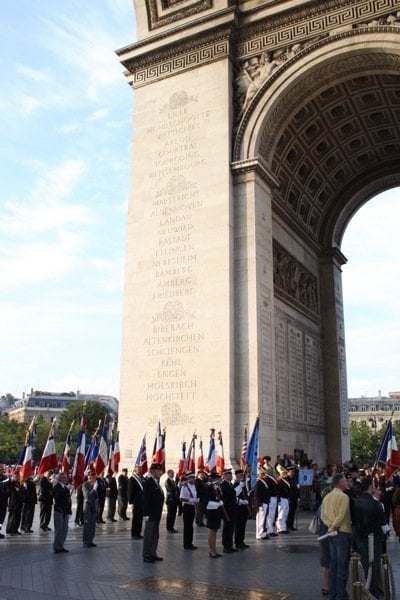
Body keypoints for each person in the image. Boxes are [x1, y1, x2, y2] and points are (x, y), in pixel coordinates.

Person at [354, 477, 389, 598]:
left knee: (365, 565)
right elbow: (383, 523)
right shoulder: (376, 504)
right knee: (375, 567)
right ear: (369, 487)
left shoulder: (356, 501)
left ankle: (367, 590)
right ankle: (374, 592)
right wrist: (386, 532)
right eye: (373, 486)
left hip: (361, 538)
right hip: (374, 538)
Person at [321, 473, 352, 600]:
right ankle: (341, 595)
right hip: (342, 532)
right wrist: (334, 526)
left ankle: (332, 594)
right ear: (340, 483)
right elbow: (342, 514)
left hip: (331, 533)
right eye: (345, 481)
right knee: (342, 565)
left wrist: (330, 526)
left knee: (333, 564)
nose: (347, 483)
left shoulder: (327, 496)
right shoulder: (344, 497)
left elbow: (323, 515)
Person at [142, 463, 164, 563]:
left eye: (159, 471)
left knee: (155, 535)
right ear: (152, 471)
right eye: (157, 471)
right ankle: (146, 554)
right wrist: (145, 514)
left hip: (156, 514)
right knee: (149, 535)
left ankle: (153, 553)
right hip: (150, 514)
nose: (159, 472)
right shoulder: (148, 483)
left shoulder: (156, 482)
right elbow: (145, 499)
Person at [205, 471, 223, 557]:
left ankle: (214, 549)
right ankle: (211, 550)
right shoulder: (209, 488)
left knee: (215, 531)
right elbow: (206, 501)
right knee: (212, 531)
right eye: (217, 478)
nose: (219, 480)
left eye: (218, 478)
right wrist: (218, 503)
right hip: (211, 511)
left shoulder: (217, 488)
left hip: (217, 512)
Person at [52, 472, 72, 553]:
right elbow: (58, 498)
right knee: (59, 529)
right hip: (59, 511)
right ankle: (56, 547)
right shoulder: (57, 487)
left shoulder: (65, 488)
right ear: (60, 479)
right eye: (65, 478)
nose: (67, 479)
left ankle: (61, 545)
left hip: (65, 511)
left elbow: (68, 500)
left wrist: (69, 511)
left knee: (64, 529)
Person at [179, 471, 198, 550]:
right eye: (191, 478)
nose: (193, 479)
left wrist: (196, 500)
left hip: (192, 507)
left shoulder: (193, 486)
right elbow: (181, 498)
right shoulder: (185, 486)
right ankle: (186, 544)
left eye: (193, 477)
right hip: (187, 507)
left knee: (191, 526)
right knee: (187, 526)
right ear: (188, 478)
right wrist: (190, 500)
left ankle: (190, 543)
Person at [220, 468, 237, 553]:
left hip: (232, 509)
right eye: (228, 474)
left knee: (231, 528)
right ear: (224, 476)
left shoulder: (230, 484)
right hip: (227, 509)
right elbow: (231, 493)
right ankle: (226, 546)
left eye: (231, 474)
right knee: (227, 528)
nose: (230, 476)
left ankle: (230, 545)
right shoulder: (224, 484)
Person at [233, 469, 250, 549]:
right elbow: (234, 496)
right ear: (236, 476)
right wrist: (241, 501)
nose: (242, 477)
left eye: (242, 476)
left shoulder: (243, 485)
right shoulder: (236, 485)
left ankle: (241, 541)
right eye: (240, 476)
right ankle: (237, 542)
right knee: (238, 526)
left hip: (244, 509)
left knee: (243, 526)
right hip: (238, 508)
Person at [82, 470, 98, 548]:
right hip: (88, 507)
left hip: (94, 507)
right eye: (94, 477)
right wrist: (94, 489)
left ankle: (90, 540)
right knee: (87, 525)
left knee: (92, 526)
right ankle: (85, 541)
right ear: (90, 477)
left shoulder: (95, 485)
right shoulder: (85, 485)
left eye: (95, 477)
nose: (95, 479)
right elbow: (87, 497)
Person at [128, 464, 144, 538]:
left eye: (140, 469)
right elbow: (130, 491)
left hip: (141, 502)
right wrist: (130, 502)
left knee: (140, 518)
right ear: (135, 470)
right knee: (136, 518)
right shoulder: (132, 479)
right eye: (138, 469)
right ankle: (134, 533)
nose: (140, 470)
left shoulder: (141, 478)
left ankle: (138, 533)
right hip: (136, 502)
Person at [255, 465, 271, 540]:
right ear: (258, 475)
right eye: (262, 474)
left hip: (266, 502)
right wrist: (258, 504)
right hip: (261, 504)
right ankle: (260, 534)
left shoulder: (263, 482)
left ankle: (264, 533)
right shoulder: (258, 483)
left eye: (264, 474)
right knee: (261, 520)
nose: (263, 475)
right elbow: (257, 495)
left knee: (265, 520)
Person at [6, 469, 23, 535]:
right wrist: (11, 479)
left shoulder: (19, 483)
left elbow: (21, 492)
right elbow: (8, 491)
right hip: (13, 503)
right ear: (14, 476)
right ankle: (10, 530)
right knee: (12, 518)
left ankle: (15, 529)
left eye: (19, 476)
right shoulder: (12, 483)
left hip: (19, 503)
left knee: (18, 518)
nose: (18, 477)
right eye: (17, 476)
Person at [164, 468, 179, 533]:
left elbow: (177, 489)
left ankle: (172, 526)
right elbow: (170, 489)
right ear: (168, 474)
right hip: (170, 500)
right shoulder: (167, 481)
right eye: (171, 473)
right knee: (170, 515)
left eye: (173, 473)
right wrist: (176, 488)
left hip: (175, 500)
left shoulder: (173, 481)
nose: (173, 474)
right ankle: (169, 527)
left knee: (173, 514)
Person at [0, 464, 8, 538]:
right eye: (1, 470)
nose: (2, 471)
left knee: (2, 517)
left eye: (2, 470)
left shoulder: (4, 478)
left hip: (4, 501)